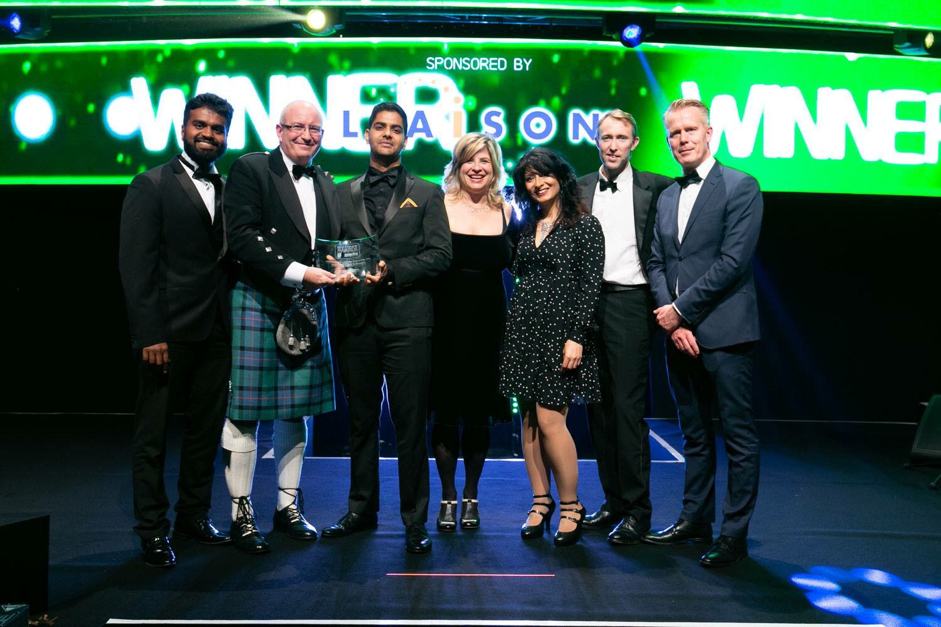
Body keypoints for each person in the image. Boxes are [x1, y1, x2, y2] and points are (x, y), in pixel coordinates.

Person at [321, 102, 452, 554]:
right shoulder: (339, 192)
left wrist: (392, 270)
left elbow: (440, 255)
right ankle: (361, 510)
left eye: (397, 129)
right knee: (360, 423)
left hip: (408, 321)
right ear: (367, 133)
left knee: (411, 424)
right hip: (356, 320)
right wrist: (334, 268)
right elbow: (327, 252)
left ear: (406, 137)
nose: (388, 134)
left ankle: (415, 521)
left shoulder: (429, 192)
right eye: (380, 127)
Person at [644, 98, 763, 567]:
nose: (682, 140)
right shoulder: (669, 194)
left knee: (737, 436)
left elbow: (733, 263)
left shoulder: (741, 185)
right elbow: (656, 261)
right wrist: (670, 318)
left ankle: (734, 534)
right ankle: (695, 519)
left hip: (726, 333)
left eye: (690, 130)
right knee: (693, 433)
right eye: (674, 134)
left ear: (710, 132)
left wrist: (680, 312)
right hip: (679, 333)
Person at [119, 93, 235, 567]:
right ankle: (151, 528)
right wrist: (149, 333)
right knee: (153, 435)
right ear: (183, 128)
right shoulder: (150, 184)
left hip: (217, 331)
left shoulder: (226, 186)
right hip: (166, 335)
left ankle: (193, 515)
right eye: (200, 126)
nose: (208, 134)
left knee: (205, 433)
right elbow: (135, 265)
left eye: (217, 128)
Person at [222, 100, 341, 554]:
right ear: (278, 130)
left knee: (296, 408)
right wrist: (300, 272)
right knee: (245, 413)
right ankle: (240, 514)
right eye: (297, 127)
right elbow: (243, 237)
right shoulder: (252, 169)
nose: (307, 135)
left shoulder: (326, 181)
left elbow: (333, 246)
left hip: (305, 306)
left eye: (315, 129)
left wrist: (344, 268)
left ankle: (287, 506)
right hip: (257, 299)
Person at [500, 147, 605, 547]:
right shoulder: (527, 226)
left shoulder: (585, 225)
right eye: (529, 177)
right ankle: (540, 502)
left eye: (543, 175)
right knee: (527, 420)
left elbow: (590, 285)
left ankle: (571, 505)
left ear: (560, 177)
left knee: (550, 420)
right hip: (524, 329)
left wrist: (577, 335)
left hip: (562, 334)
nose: (537, 182)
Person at [577, 110, 673, 545]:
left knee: (627, 409)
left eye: (621, 137)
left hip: (632, 303)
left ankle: (638, 511)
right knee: (598, 409)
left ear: (634, 142)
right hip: (587, 304)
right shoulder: (578, 188)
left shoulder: (658, 186)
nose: (613, 144)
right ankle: (614, 501)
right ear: (596, 141)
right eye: (606, 137)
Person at [431, 132, 517, 531]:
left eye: (485, 160)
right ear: (458, 164)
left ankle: (471, 496)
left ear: (495, 166)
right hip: (445, 322)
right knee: (446, 415)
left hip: (490, 324)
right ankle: (447, 497)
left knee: (479, 416)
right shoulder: (438, 205)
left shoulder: (507, 210)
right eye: (470, 160)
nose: (477, 167)